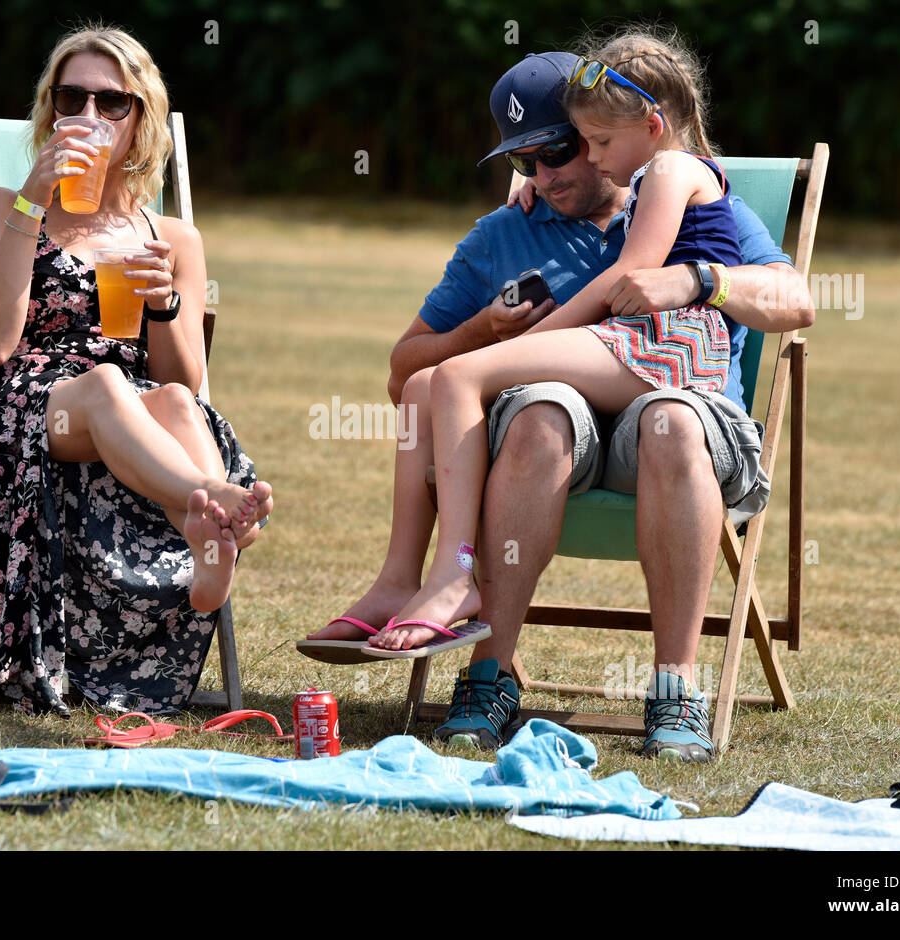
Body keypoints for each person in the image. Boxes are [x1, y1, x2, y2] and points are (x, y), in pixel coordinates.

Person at [307, 33, 812, 761]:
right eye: (523, 161)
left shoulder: (675, 186)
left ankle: (675, 691)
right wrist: (484, 329)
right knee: (520, 411)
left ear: (601, 131)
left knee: (670, 422)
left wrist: (705, 280)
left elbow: (796, 299)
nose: (543, 175)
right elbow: (402, 377)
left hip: (679, 420)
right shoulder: (505, 232)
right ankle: (484, 668)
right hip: (553, 439)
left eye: (560, 152)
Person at [0, 25, 272, 717]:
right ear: (51, 109)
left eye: (111, 103)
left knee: (179, 409)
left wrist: (165, 304)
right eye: (73, 98)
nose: (89, 118)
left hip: (138, 409)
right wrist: (29, 207)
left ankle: (203, 519)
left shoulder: (171, 237)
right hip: (31, 408)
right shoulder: (2, 206)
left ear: (140, 119)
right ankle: (209, 503)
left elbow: (182, 379)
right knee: (103, 386)